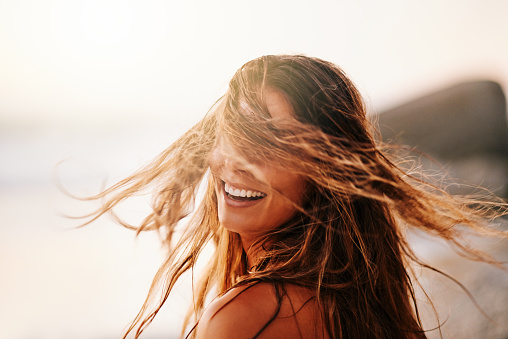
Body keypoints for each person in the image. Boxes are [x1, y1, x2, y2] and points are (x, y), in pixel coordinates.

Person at [81, 55, 507, 338]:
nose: (237, 161)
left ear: (328, 169)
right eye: (234, 135)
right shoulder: (362, 300)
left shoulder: (246, 316)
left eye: (273, 143)